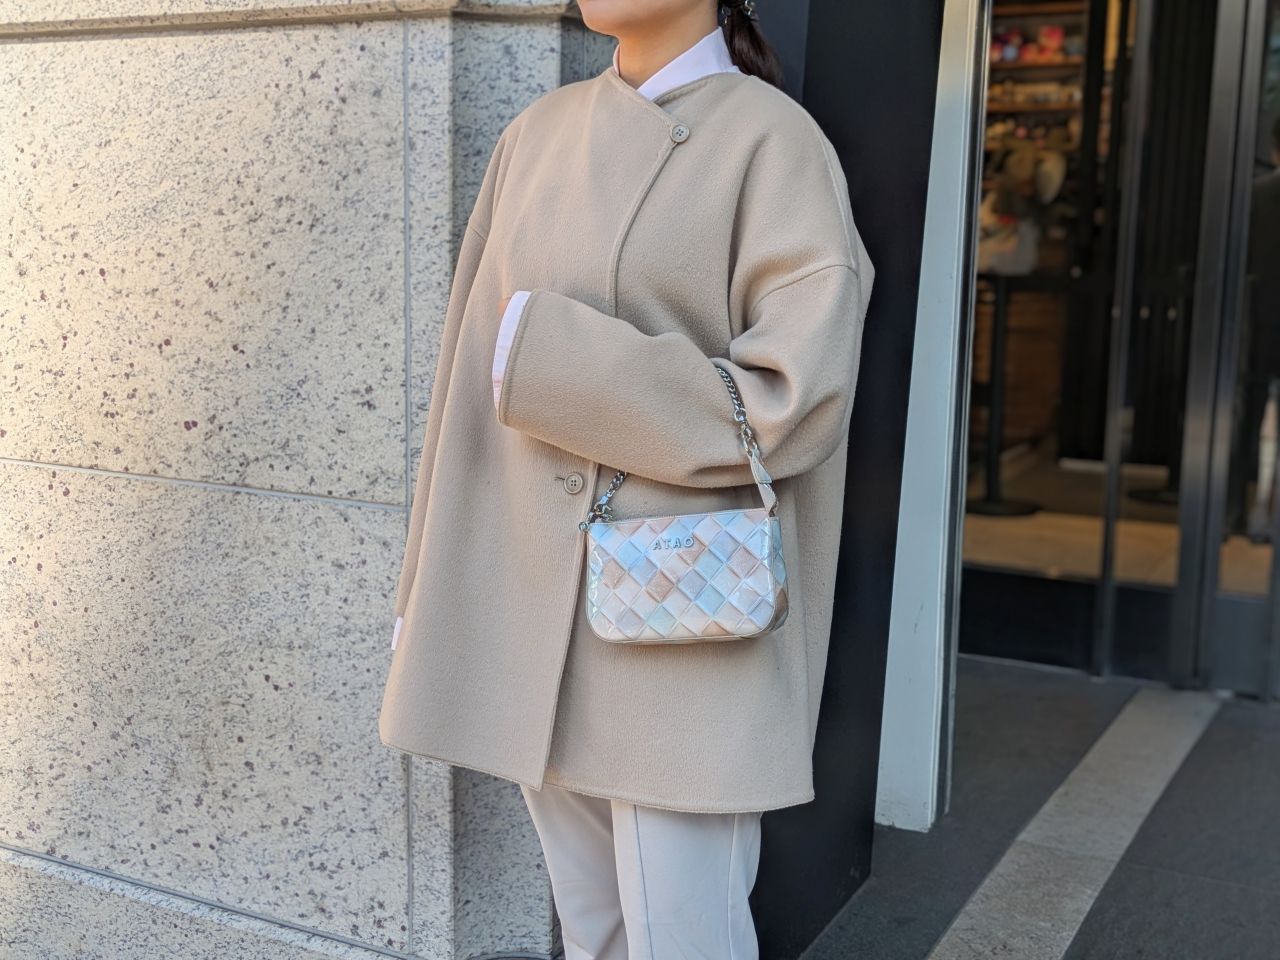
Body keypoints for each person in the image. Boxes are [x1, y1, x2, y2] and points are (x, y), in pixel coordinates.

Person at [377, 1, 875, 957]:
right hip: (537, 611)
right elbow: (463, 399)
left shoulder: (774, 142)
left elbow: (797, 395)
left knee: (685, 936)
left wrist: (558, 366)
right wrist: (422, 595)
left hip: (684, 618)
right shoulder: (537, 136)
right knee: (593, 928)